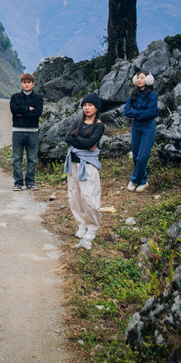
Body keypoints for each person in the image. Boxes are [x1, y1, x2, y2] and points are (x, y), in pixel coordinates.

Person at [63, 93, 104, 250]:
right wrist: (84, 144)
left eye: (90, 105)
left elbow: (92, 142)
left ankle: (92, 227)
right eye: (85, 105)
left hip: (87, 164)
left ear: (96, 107)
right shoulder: (78, 122)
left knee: (89, 197)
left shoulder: (99, 125)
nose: (87, 108)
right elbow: (68, 138)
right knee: (75, 196)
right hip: (73, 163)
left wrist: (79, 141)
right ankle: (81, 225)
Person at [124, 70, 158, 192]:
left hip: (148, 127)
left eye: (142, 78)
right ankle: (143, 181)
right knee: (136, 155)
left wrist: (135, 113)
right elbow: (127, 111)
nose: (139, 80)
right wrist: (141, 114)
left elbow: (151, 113)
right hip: (136, 127)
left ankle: (134, 179)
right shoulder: (133, 94)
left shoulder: (152, 96)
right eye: (138, 78)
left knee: (143, 156)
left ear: (148, 80)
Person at [9, 72, 44, 191]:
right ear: (21, 84)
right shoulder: (15, 97)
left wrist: (21, 112)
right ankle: (18, 183)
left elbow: (37, 113)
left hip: (33, 131)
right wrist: (28, 109)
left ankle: (30, 182)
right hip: (18, 131)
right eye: (24, 82)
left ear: (33, 84)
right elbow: (14, 110)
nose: (27, 84)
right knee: (16, 158)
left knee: (32, 159)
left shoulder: (38, 98)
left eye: (29, 82)